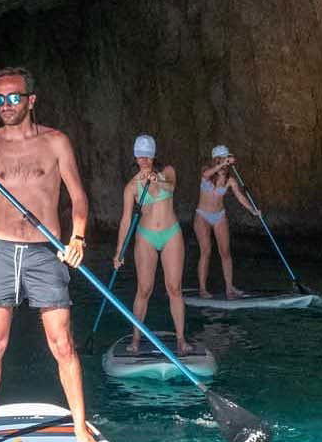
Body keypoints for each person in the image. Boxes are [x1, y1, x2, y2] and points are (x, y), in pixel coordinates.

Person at [0, 66, 101, 442]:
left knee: (62, 343)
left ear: (31, 100)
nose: (5, 105)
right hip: (1, 250)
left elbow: (78, 198)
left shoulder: (55, 142)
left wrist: (78, 237)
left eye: (13, 97)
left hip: (44, 250)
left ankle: (80, 428)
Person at [112, 134, 192, 356]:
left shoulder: (167, 172)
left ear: (154, 155)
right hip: (146, 237)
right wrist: (119, 251)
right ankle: (136, 340)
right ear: (135, 157)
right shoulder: (132, 187)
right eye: (140, 156)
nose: (144, 160)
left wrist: (158, 180)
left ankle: (181, 340)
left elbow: (171, 185)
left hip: (171, 234)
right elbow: (126, 220)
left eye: (148, 156)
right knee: (144, 289)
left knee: (174, 288)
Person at [194, 144, 261, 299]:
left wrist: (252, 210)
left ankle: (229, 288)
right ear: (215, 160)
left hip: (219, 216)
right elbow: (206, 174)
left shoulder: (230, 179)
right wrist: (223, 163)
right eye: (221, 158)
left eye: (226, 158)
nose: (225, 161)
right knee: (206, 251)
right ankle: (202, 289)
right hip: (202, 216)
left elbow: (240, 196)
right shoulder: (207, 172)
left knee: (225, 252)